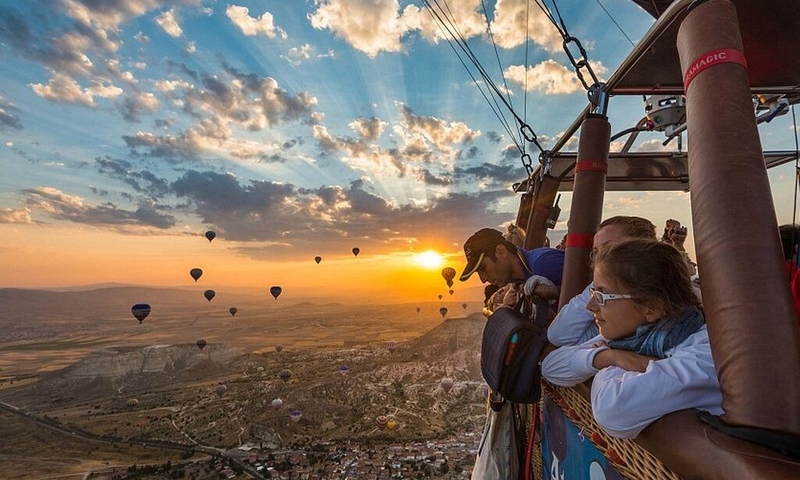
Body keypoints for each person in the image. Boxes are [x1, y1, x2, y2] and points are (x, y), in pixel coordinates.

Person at [541, 239, 723, 439]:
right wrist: (610, 358)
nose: (590, 306)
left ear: (650, 308)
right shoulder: (634, 337)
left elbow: (612, 409)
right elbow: (550, 367)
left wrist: (608, 366)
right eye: (593, 292)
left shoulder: (704, 353)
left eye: (602, 296)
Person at [547, 216, 657, 347]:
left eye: (608, 249)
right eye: (596, 252)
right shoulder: (607, 318)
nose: (600, 258)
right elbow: (559, 336)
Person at [459, 228, 564, 304]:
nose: (483, 279)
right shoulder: (519, 280)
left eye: (483, 268)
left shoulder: (543, 263)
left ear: (501, 252)